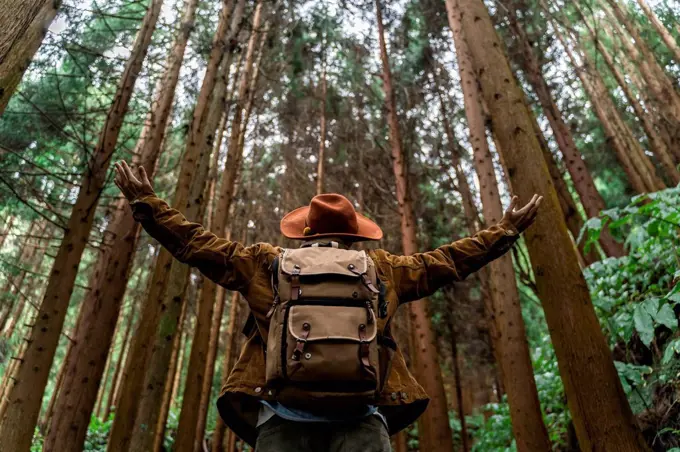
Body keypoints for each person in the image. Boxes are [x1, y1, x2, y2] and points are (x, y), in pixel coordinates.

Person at [113, 160, 542, 452]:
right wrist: (505, 231)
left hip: (281, 421)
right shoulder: (382, 268)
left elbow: (198, 245)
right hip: (360, 421)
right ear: (356, 237)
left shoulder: (267, 263)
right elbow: (448, 262)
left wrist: (149, 206)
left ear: (304, 234)